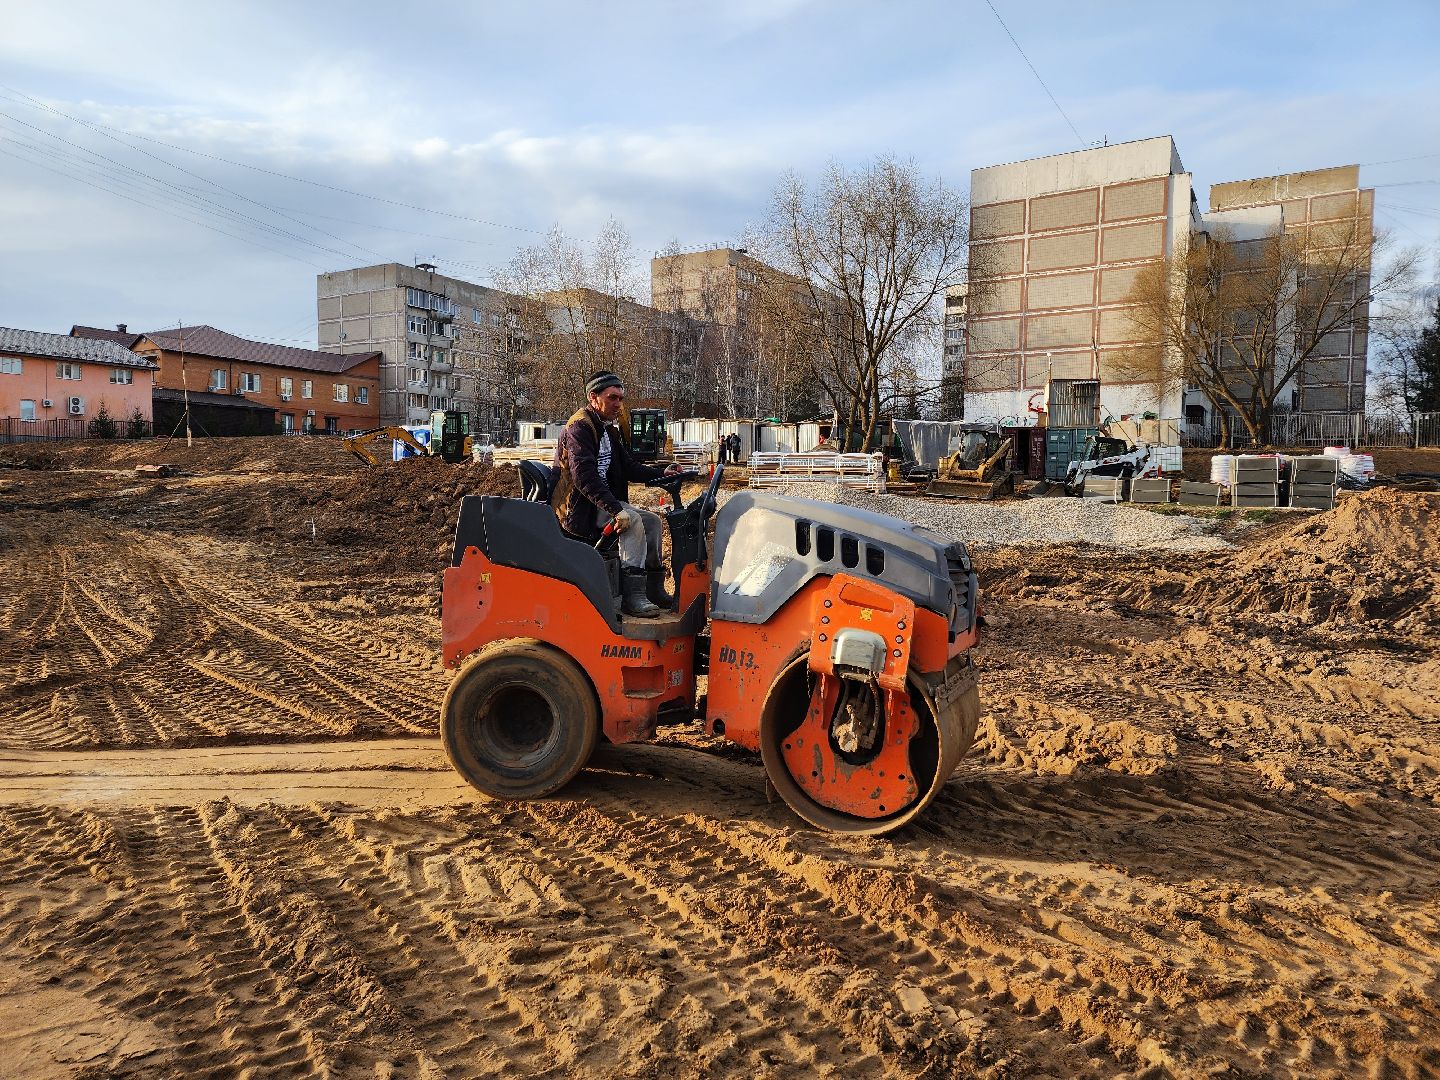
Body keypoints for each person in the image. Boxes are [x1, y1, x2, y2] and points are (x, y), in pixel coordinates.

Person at [553, 371, 679, 617]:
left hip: (600, 501)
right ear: (593, 397)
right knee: (631, 521)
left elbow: (628, 466)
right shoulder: (579, 428)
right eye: (612, 398)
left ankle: (652, 589)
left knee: (652, 521)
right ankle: (633, 597)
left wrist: (662, 473)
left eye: (620, 398)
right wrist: (617, 509)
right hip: (579, 508)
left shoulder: (607, 429)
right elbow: (583, 477)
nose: (618, 404)